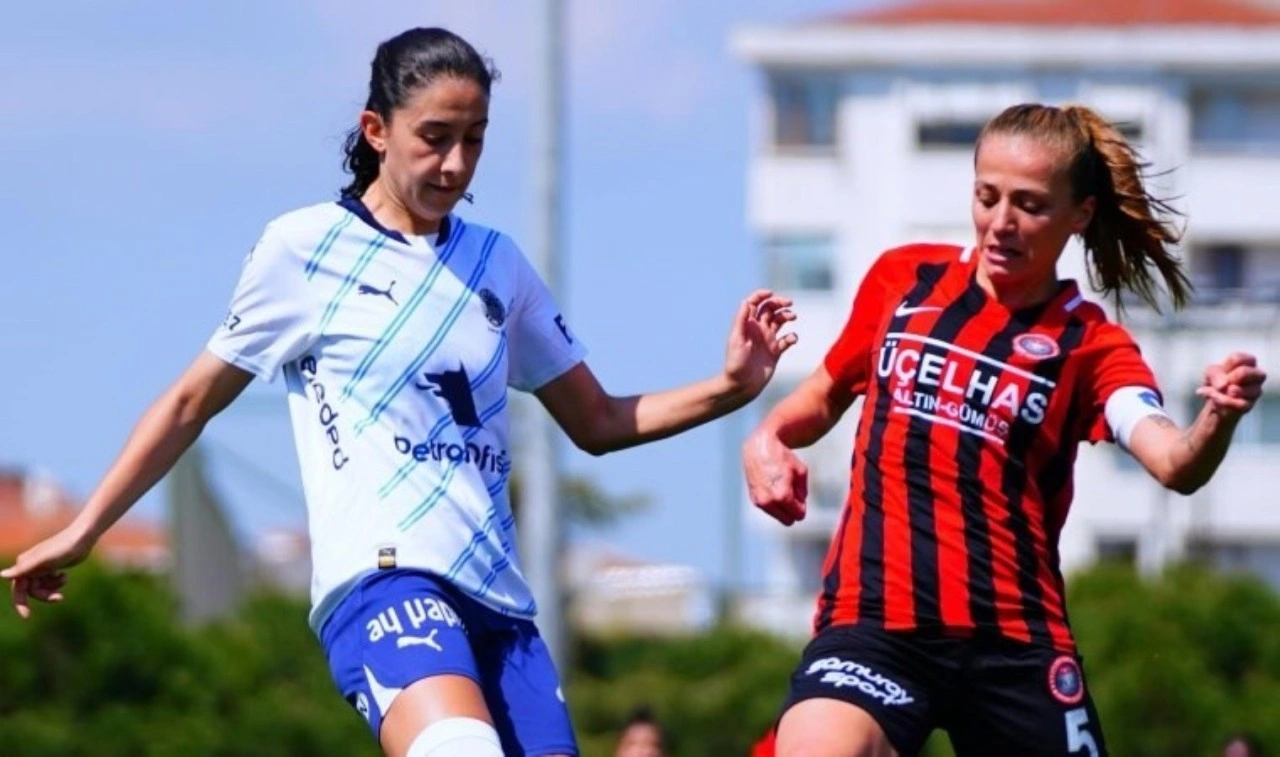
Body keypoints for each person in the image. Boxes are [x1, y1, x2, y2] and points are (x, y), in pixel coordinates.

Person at [1, 27, 797, 757]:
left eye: (474, 139)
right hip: (384, 581)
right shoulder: (306, 249)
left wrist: (732, 386)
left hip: (500, 604)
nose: (455, 163)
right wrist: (84, 529)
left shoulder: (497, 263)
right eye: (434, 137)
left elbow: (598, 419)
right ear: (376, 130)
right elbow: (189, 403)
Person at [742, 102, 1267, 757]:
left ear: (1080, 214)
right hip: (874, 624)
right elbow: (822, 394)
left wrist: (1217, 416)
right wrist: (766, 437)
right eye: (987, 196)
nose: (1001, 222)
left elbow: (1174, 462)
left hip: (1014, 646)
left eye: (1030, 205)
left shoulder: (1089, 344)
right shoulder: (904, 280)